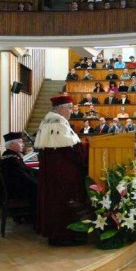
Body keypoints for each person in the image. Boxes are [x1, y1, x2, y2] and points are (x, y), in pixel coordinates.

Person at [34, 95, 88, 246]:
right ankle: (64, 236)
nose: (71, 112)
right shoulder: (58, 123)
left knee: (54, 203)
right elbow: (73, 150)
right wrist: (87, 148)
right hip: (62, 176)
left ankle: (56, 235)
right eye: (70, 108)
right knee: (63, 203)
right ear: (62, 109)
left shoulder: (47, 120)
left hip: (51, 175)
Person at [1, 132, 38, 213]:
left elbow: (25, 170)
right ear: (11, 145)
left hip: (16, 188)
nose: (23, 145)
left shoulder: (10, 155)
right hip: (15, 192)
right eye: (20, 142)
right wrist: (38, 183)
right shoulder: (11, 159)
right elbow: (24, 176)